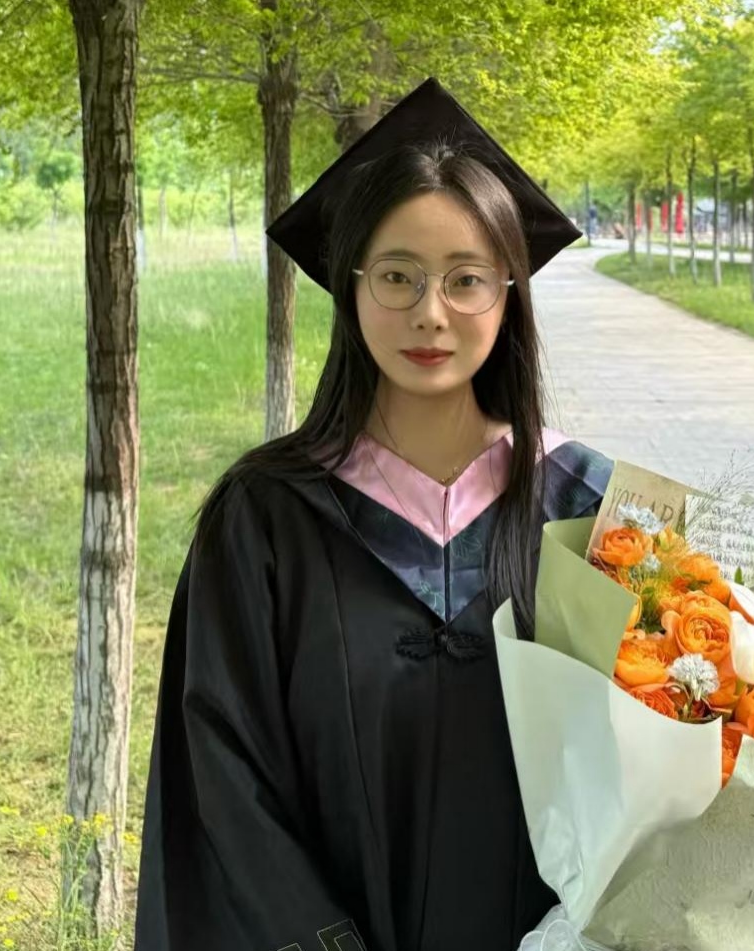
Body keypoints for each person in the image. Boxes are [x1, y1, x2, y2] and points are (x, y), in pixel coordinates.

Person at [133, 77, 613, 951]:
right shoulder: (265, 519)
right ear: (351, 288)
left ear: (509, 294)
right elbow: (222, 776)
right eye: (398, 276)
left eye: (466, 279)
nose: (431, 312)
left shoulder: (585, 507)